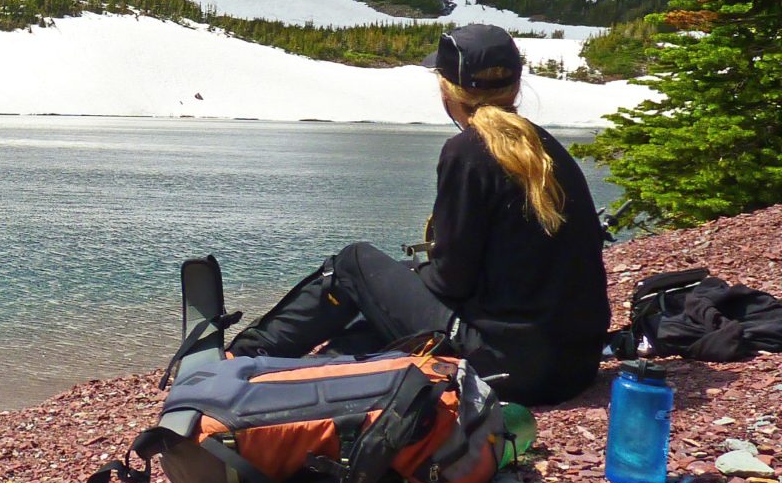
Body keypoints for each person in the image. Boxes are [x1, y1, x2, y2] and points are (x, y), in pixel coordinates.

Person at [227, 24, 610, 406]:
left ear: (448, 90)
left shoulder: (468, 151)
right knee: (370, 321)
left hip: (510, 370)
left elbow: (451, 281)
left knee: (354, 265)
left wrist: (399, 278)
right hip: (573, 368)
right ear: (516, 84)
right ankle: (299, 376)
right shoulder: (545, 149)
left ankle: (242, 357)